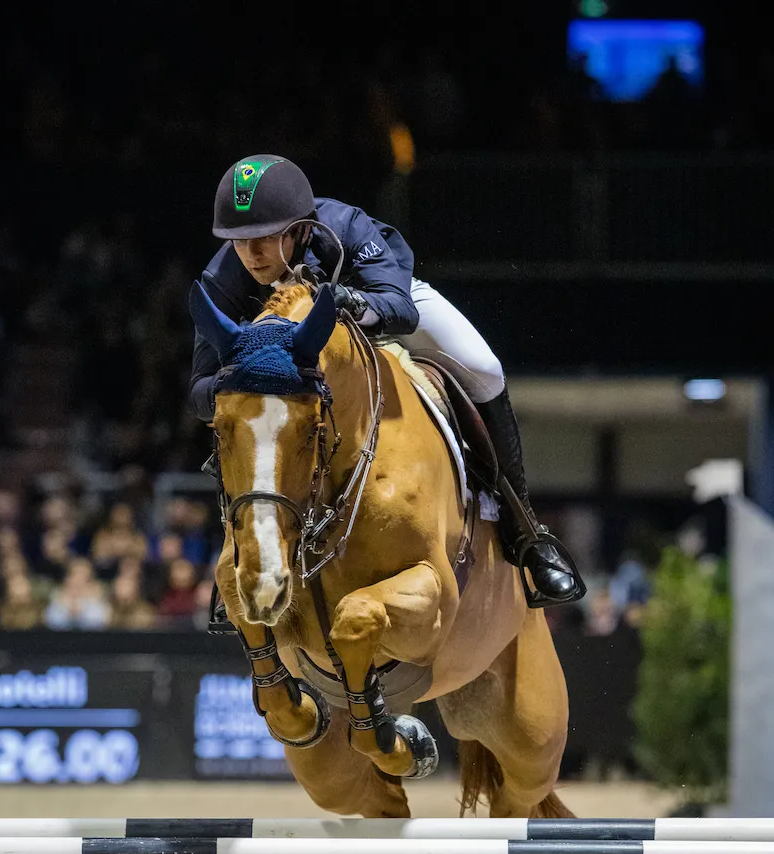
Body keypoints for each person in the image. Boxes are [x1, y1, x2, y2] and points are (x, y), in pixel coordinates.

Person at [188, 153, 584, 608]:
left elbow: (401, 307)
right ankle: (245, 552)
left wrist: (344, 302)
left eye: (266, 237)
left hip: (380, 307)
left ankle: (525, 532)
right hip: (295, 360)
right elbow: (200, 391)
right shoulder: (223, 278)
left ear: (299, 228)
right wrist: (239, 383)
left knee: (485, 367)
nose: (252, 254)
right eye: (239, 240)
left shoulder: (345, 228)